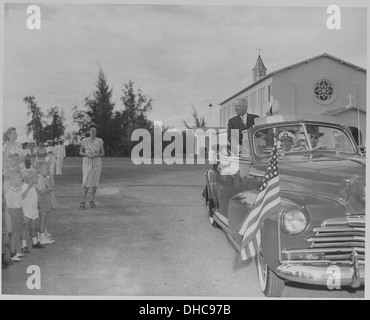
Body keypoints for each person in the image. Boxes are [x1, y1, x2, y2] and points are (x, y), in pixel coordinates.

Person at [79, 124, 104, 210]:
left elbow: (102, 153)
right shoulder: (84, 140)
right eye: (92, 130)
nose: (93, 132)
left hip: (97, 163)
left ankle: (91, 200)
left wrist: (96, 155)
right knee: (86, 182)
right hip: (87, 162)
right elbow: (80, 152)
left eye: (95, 131)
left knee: (94, 183)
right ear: (89, 131)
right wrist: (87, 155)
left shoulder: (100, 140)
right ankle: (83, 201)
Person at [4, 169, 26, 262]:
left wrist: (23, 214)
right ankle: (12, 254)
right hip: (13, 213)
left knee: (17, 233)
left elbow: (20, 203)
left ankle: (15, 251)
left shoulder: (17, 189)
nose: (21, 179)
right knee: (14, 234)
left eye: (21, 177)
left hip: (19, 211)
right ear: (11, 180)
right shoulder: (9, 192)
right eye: (18, 178)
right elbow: (7, 207)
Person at [21, 168, 44, 250]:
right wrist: (28, 189)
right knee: (25, 228)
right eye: (35, 176)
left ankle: (35, 242)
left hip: (34, 210)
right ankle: (24, 245)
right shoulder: (24, 186)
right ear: (30, 178)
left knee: (33, 227)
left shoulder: (33, 186)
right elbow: (22, 197)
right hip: (27, 211)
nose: (37, 178)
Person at [35, 161, 55, 245]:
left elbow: (51, 185)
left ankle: (41, 236)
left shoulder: (43, 177)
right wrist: (49, 189)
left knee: (43, 220)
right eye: (46, 169)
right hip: (42, 202)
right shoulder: (40, 179)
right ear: (39, 170)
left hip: (44, 201)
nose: (48, 170)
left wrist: (51, 176)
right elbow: (42, 190)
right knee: (42, 220)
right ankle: (42, 238)